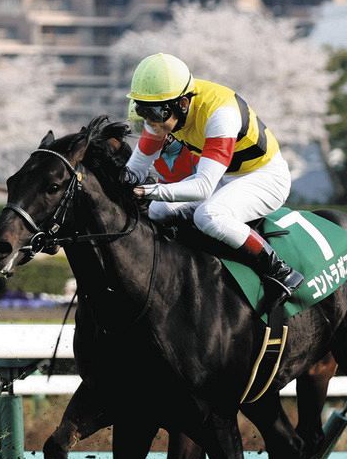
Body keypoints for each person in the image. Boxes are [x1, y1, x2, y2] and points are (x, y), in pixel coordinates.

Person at [122, 53, 304, 298]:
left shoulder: (221, 114)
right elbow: (135, 170)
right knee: (157, 210)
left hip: (264, 177)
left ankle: (278, 270)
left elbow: (203, 188)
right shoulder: (164, 112)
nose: (150, 122)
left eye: (155, 113)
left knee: (209, 216)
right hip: (226, 175)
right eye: (142, 110)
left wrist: (145, 190)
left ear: (183, 104)